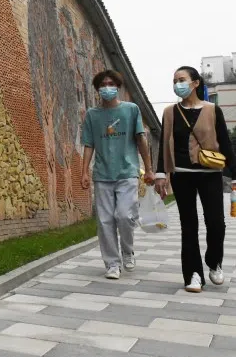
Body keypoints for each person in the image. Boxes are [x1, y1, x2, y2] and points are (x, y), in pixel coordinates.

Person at [153, 66, 235, 293]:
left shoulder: (212, 110)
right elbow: (163, 144)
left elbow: (225, 144)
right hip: (182, 175)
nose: (177, 84)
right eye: (174, 80)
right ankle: (193, 274)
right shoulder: (169, 112)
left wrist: (235, 174)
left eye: (182, 79)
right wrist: (161, 173)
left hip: (210, 174)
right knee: (189, 226)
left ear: (196, 83)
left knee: (216, 223)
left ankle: (214, 262)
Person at [81, 70, 154, 279]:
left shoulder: (131, 110)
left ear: (118, 86)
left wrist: (148, 169)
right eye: (102, 84)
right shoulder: (92, 115)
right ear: (97, 89)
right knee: (104, 221)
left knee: (124, 215)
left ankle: (128, 250)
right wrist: (84, 171)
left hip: (127, 172)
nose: (107, 87)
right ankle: (112, 263)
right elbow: (88, 144)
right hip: (102, 174)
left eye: (111, 83)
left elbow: (141, 140)